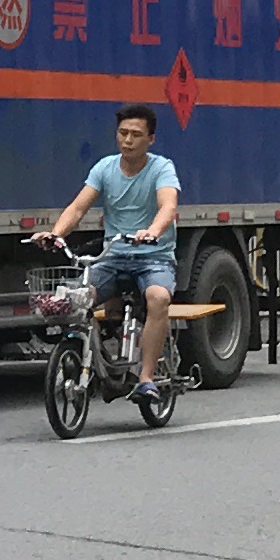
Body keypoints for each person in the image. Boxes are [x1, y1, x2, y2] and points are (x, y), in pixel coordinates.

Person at [45, 105, 184, 391]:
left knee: (158, 298)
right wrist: (55, 234)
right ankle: (94, 355)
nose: (128, 140)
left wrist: (152, 232)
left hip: (153, 257)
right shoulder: (105, 168)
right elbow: (78, 207)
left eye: (136, 134)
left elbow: (168, 207)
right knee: (73, 298)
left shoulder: (162, 168)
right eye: (123, 133)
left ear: (151, 139)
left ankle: (146, 379)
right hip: (113, 256)